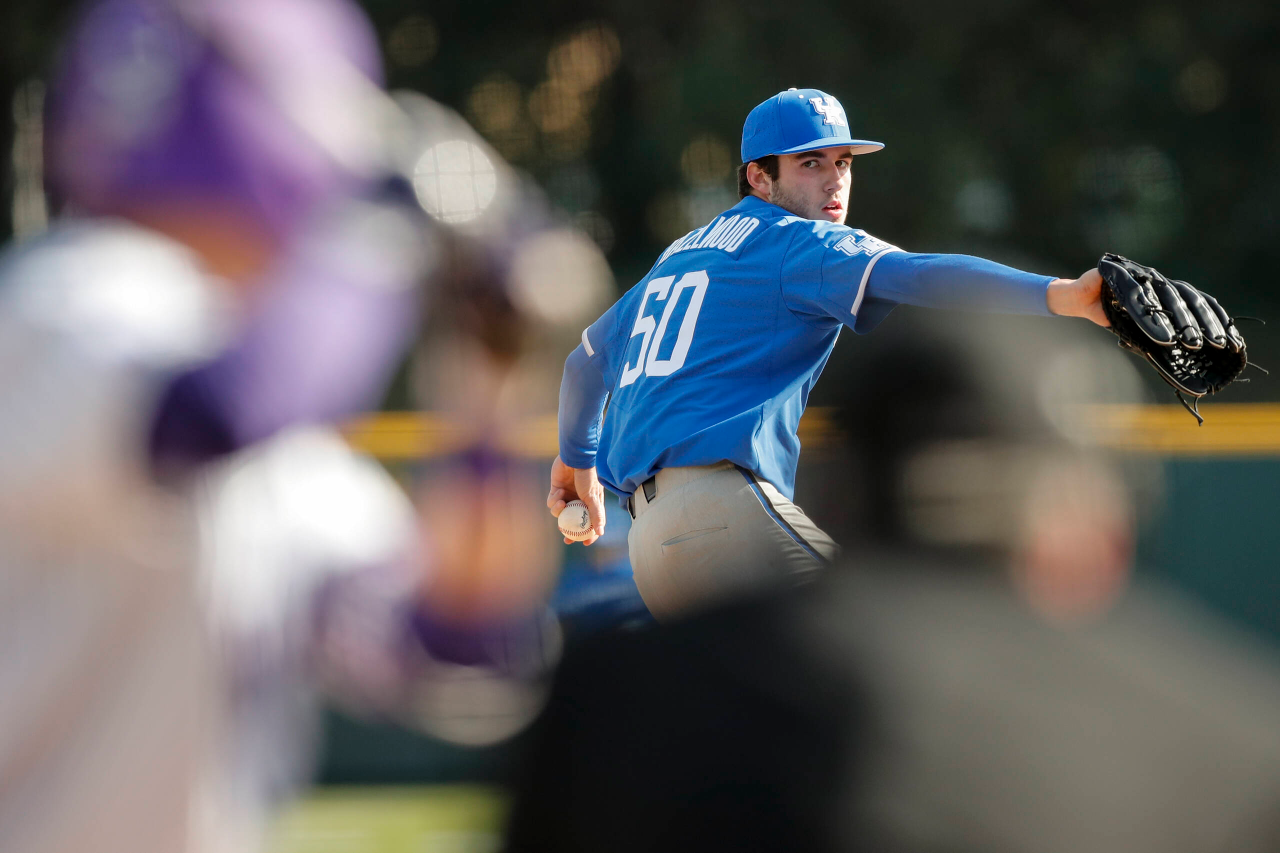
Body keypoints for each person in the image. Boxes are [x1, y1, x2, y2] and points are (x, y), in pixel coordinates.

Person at [0, 1, 424, 850]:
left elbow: (444, 638)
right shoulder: (65, 294)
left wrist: (495, 378)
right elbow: (213, 413)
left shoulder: (265, 386)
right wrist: (379, 232)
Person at [548, 87, 1110, 620]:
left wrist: (577, 463)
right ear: (758, 177)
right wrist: (1063, 295)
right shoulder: (798, 242)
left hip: (651, 547)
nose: (834, 180)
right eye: (809, 163)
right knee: (902, 656)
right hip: (727, 518)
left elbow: (584, 364)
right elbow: (921, 274)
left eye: (843, 162)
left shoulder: (677, 257)